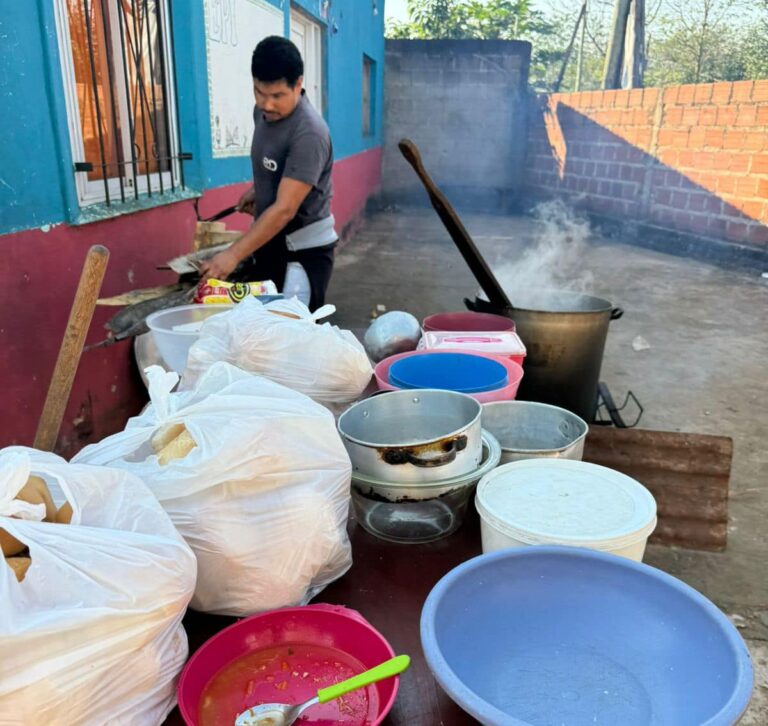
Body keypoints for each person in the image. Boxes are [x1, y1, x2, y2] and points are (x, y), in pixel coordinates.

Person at [200, 36, 336, 310]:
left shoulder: (309, 133)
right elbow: (274, 164)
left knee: (292, 338)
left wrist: (232, 255)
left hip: (302, 252)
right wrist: (259, 190)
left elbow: (285, 209)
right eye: (259, 92)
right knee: (261, 331)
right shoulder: (261, 113)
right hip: (272, 244)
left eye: (277, 96)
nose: (267, 104)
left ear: (298, 84)